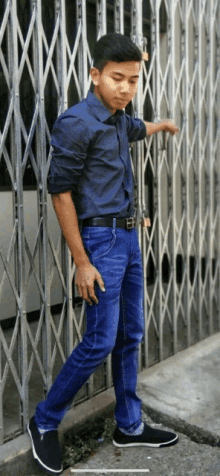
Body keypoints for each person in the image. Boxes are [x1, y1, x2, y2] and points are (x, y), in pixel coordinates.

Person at [28, 33, 179, 475]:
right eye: (117, 78)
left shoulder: (119, 118)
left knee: (131, 335)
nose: (126, 88)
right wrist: (82, 261)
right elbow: (59, 194)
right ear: (95, 75)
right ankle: (45, 420)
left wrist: (163, 125)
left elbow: (139, 129)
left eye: (133, 80)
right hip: (100, 245)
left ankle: (128, 426)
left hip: (129, 239)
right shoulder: (77, 122)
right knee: (99, 341)